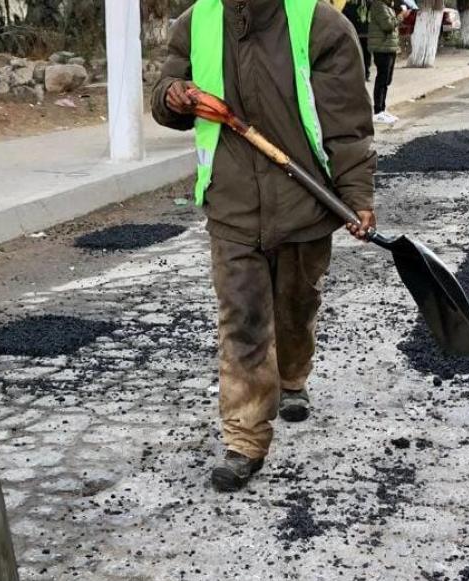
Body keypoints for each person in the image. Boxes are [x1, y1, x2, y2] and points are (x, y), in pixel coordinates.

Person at [152, 0, 376, 492]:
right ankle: (245, 440)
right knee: (244, 323)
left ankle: (292, 377)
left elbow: (347, 123)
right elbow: (164, 93)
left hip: (305, 206)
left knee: (296, 307)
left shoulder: (320, 25)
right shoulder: (196, 22)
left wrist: (357, 194)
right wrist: (174, 96)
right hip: (231, 206)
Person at [368, 0, 402, 123]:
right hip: (382, 48)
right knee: (382, 80)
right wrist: (401, 17)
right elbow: (387, 26)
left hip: (389, 47)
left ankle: (382, 109)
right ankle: (378, 111)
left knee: (387, 80)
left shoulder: (388, 6)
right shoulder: (379, 5)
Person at [343, 0, 373, 80]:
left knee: (363, 54)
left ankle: (364, 73)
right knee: (362, 54)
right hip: (359, 32)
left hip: (362, 32)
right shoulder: (351, 3)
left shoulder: (368, 3)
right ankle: (363, 73)